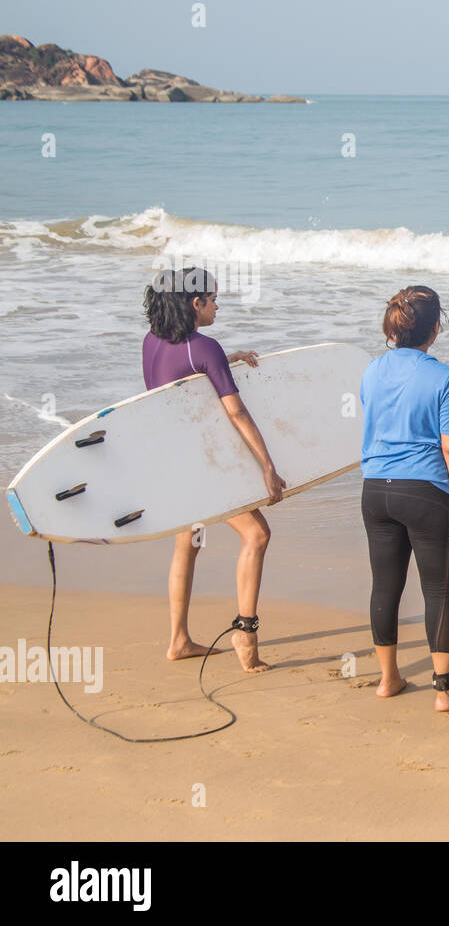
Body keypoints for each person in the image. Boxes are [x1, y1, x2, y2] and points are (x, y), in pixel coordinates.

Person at [142, 267, 285, 672]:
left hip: (170, 463)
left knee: (187, 545)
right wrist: (267, 465)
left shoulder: (151, 341)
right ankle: (246, 638)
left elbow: (180, 384)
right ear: (195, 303)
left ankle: (178, 640)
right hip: (200, 470)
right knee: (257, 534)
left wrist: (227, 359)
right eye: (213, 300)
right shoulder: (205, 348)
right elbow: (237, 412)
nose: (217, 306)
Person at [359, 286, 449, 710]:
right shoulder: (443, 375)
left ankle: (388, 679)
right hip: (425, 493)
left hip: (375, 490)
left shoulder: (371, 370)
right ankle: (446, 692)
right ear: (434, 328)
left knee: (385, 586)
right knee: (438, 591)